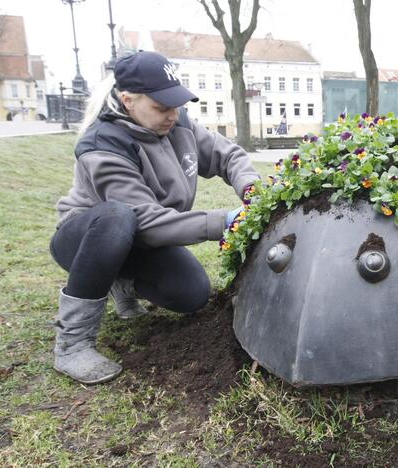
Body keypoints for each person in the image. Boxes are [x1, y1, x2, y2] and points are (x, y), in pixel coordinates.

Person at [50, 51, 258, 384]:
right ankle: (72, 344)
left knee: (192, 293)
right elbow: (144, 220)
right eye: (161, 107)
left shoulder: (178, 125)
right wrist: (224, 221)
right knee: (118, 218)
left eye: (176, 105)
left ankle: (120, 282)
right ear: (128, 100)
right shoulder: (104, 145)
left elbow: (227, 154)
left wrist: (251, 190)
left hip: (139, 241)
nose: (172, 115)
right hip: (87, 239)